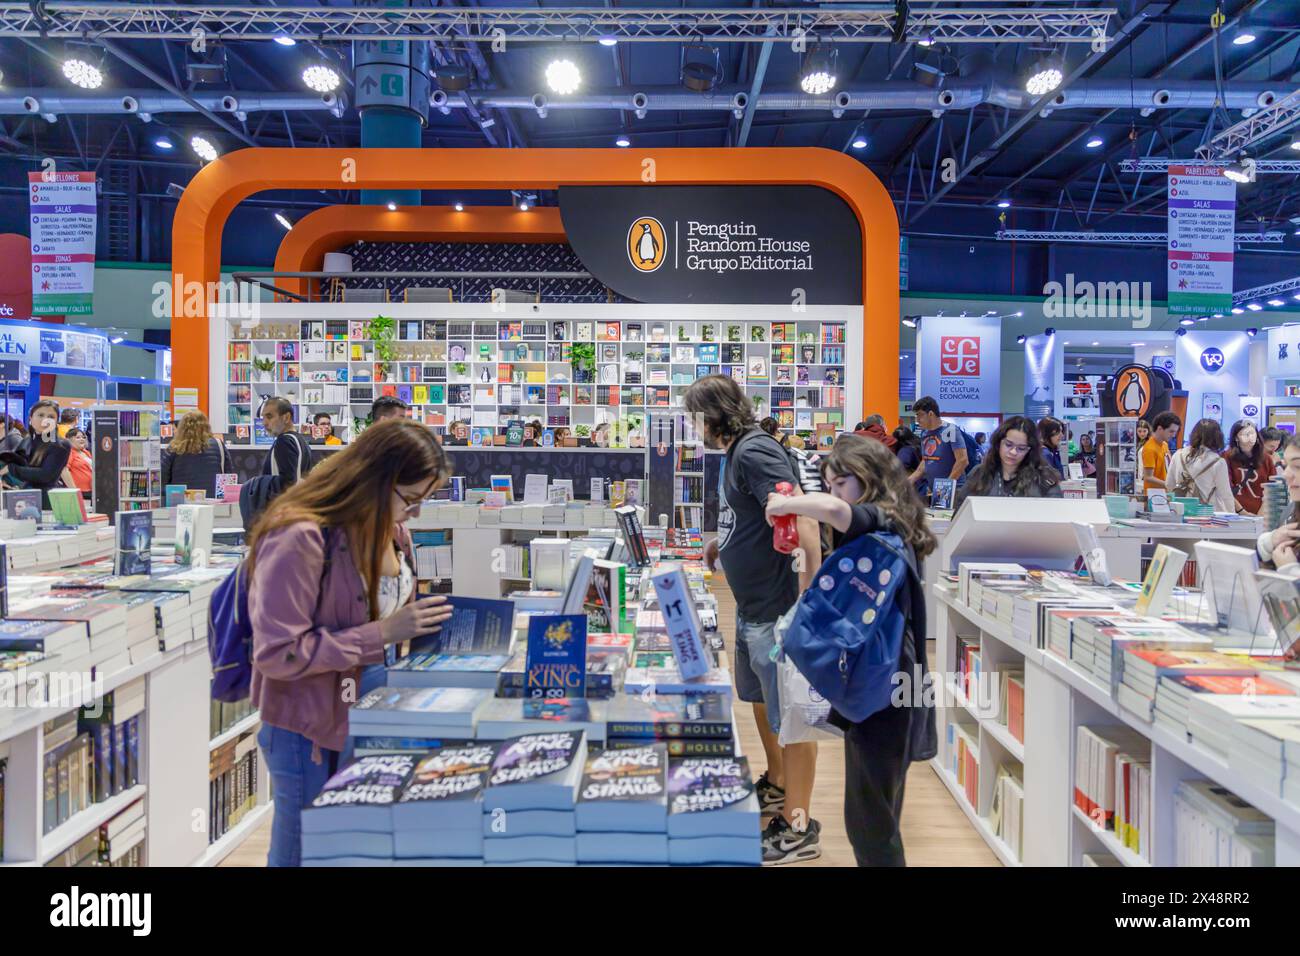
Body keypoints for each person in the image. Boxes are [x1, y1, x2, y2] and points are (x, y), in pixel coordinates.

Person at [247, 419, 455, 867]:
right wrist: (382, 634)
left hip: (370, 708)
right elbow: (278, 652)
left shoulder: (391, 529)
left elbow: (389, 609)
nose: (415, 513)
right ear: (376, 479)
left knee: (350, 846)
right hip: (308, 724)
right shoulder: (300, 535)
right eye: (411, 499)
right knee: (302, 851)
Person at [763, 434, 937, 866]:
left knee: (870, 823)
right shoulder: (897, 522)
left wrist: (788, 504)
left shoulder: (883, 520)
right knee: (874, 814)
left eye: (842, 483)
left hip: (887, 690)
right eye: (831, 483)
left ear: (869, 479)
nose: (836, 494)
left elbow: (838, 512)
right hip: (891, 684)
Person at [684, 374, 822, 864]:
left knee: (793, 714)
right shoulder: (737, 453)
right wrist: (726, 540)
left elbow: (803, 516)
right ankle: (779, 784)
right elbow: (758, 515)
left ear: (711, 414)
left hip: (778, 606)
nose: (691, 426)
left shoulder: (754, 450)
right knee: (761, 699)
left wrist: (810, 594)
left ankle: (800, 827)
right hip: (752, 604)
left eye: (694, 416)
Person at [954, 415, 1063, 508]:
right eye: (1008, 444)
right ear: (998, 443)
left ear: (1030, 450)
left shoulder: (1045, 478)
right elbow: (960, 513)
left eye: (1021, 448)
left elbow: (1057, 516)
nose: (1013, 452)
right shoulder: (978, 474)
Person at [0, 399, 71, 507]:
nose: (45, 420)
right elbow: (18, 465)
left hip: (47, 502)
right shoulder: (26, 441)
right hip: (22, 499)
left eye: (51, 417)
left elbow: (46, 475)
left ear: (57, 421)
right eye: (40, 415)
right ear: (31, 418)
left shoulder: (61, 445)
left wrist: (11, 469)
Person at [1167, 419, 1235, 513]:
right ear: (1217, 437)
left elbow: (1169, 484)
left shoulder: (1178, 455)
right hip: (1206, 514)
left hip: (1180, 512)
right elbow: (1226, 495)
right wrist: (1232, 517)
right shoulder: (1218, 462)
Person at [910, 396, 968, 502]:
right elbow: (926, 460)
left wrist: (945, 487)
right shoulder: (925, 433)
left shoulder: (950, 430)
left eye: (920, 415)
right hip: (934, 490)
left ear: (931, 414)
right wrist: (908, 481)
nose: (917, 420)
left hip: (954, 490)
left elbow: (962, 460)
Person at [162, 411, 230, 498]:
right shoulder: (218, 445)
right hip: (212, 501)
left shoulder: (174, 448)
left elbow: (163, 479)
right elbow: (228, 476)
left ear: (181, 427)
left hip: (181, 500)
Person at [1224, 420, 1269, 515]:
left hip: (1263, 515)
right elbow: (1225, 489)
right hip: (1234, 514)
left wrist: (1261, 512)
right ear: (1236, 438)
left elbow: (1273, 488)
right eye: (1244, 434)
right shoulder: (1227, 457)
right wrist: (1242, 512)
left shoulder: (1266, 458)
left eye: (1252, 433)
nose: (1250, 437)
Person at [1141, 411, 1181, 492]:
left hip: (1165, 493)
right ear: (1160, 429)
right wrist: (1169, 484)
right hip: (1154, 495)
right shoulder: (1150, 448)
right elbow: (1148, 477)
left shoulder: (1164, 444)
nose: (1173, 435)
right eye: (1171, 431)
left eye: (1175, 432)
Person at [61, 427, 93, 497]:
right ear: (69, 440)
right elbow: (64, 470)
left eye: (83, 437)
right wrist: (74, 490)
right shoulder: (69, 452)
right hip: (79, 492)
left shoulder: (86, 452)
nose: (82, 439)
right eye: (78, 437)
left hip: (90, 491)